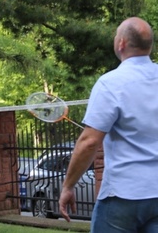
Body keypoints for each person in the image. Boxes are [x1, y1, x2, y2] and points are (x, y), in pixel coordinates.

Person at [59, 17, 158, 232]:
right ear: (149, 46)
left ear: (121, 43)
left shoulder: (110, 83)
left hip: (124, 195)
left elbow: (89, 142)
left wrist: (68, 186)